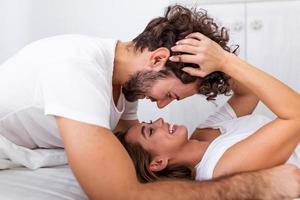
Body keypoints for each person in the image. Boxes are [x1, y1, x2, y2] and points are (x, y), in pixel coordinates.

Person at [0, 4, 299, 199]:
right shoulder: (76, 71)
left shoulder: (122, 85)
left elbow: (248, 92)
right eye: (169, 94)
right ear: (157, 59)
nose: (160, 108)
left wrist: (220, 62)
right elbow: (120, 192)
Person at [117, 31, 300, 185]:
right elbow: (296, 116)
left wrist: (206, 65)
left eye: (150, 123)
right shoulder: (221, 170)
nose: (159, 120)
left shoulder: (203, 136)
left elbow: (248, 93)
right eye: (150, 131)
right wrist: (225, 61)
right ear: (158, 163)